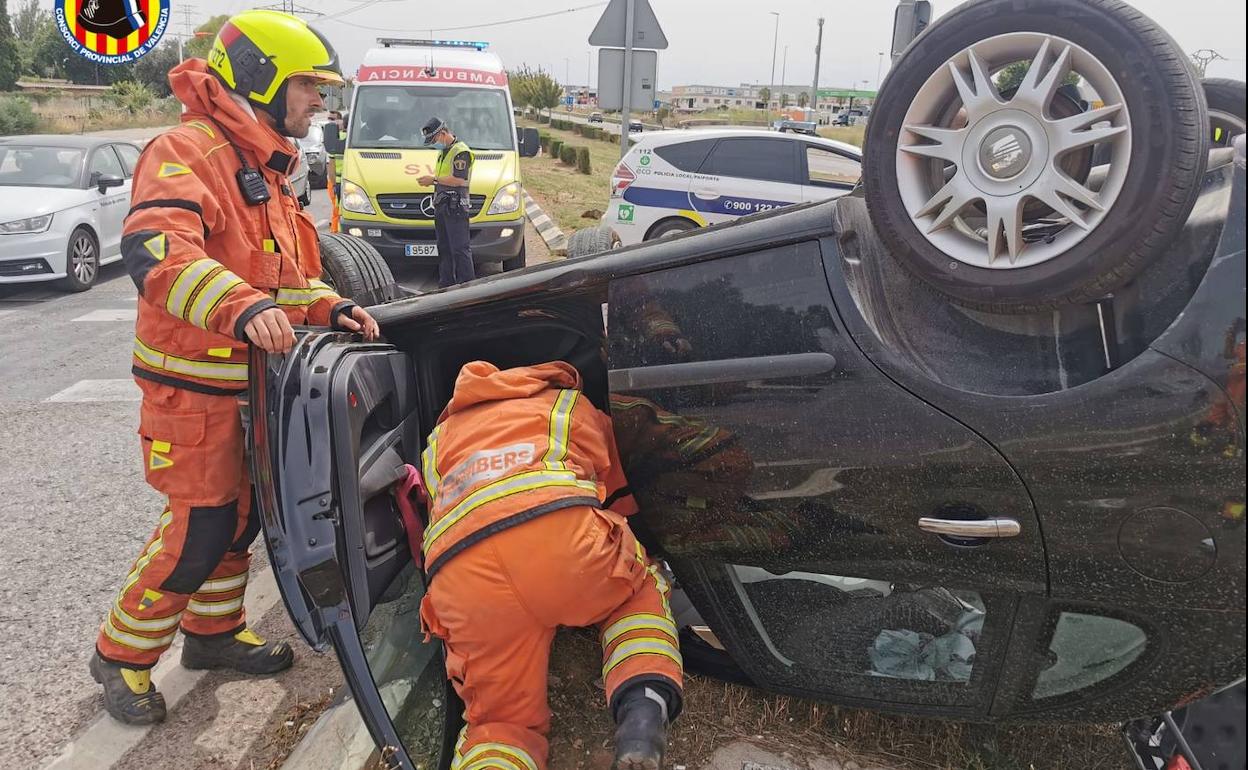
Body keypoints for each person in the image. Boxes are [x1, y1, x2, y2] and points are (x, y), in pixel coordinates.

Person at [91, 9, 380, 726]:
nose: (319, 102)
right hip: (192, 393)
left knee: (242, 523)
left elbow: (278, 279)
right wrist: (242, 308)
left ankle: (211, 635)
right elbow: (158, 253)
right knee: (199, 529)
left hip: (253, 391)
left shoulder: (266, 168)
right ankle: (121, 655)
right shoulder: (185, 151)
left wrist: (327, 307)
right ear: (261, 76)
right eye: (310, 86)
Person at [418, 361, 683, 770]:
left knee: (497, 722)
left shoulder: (438, 441)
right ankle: (642, 707)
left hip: (463, 578)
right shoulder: (567, 403)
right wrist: (631, 546)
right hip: (562, 537)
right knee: (635, 590)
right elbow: (619, 490)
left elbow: (440, 516)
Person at [417, 117, 475, 287]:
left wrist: (433, 179)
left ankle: (468, 288)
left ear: (442, 134)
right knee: (444, 248)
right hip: (443, 205)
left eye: (434, 140)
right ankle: (446, 285)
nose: (434, 143)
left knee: (460, 249)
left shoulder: (460, 152)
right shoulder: (445, 152)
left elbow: (459, 180)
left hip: (455, 207)